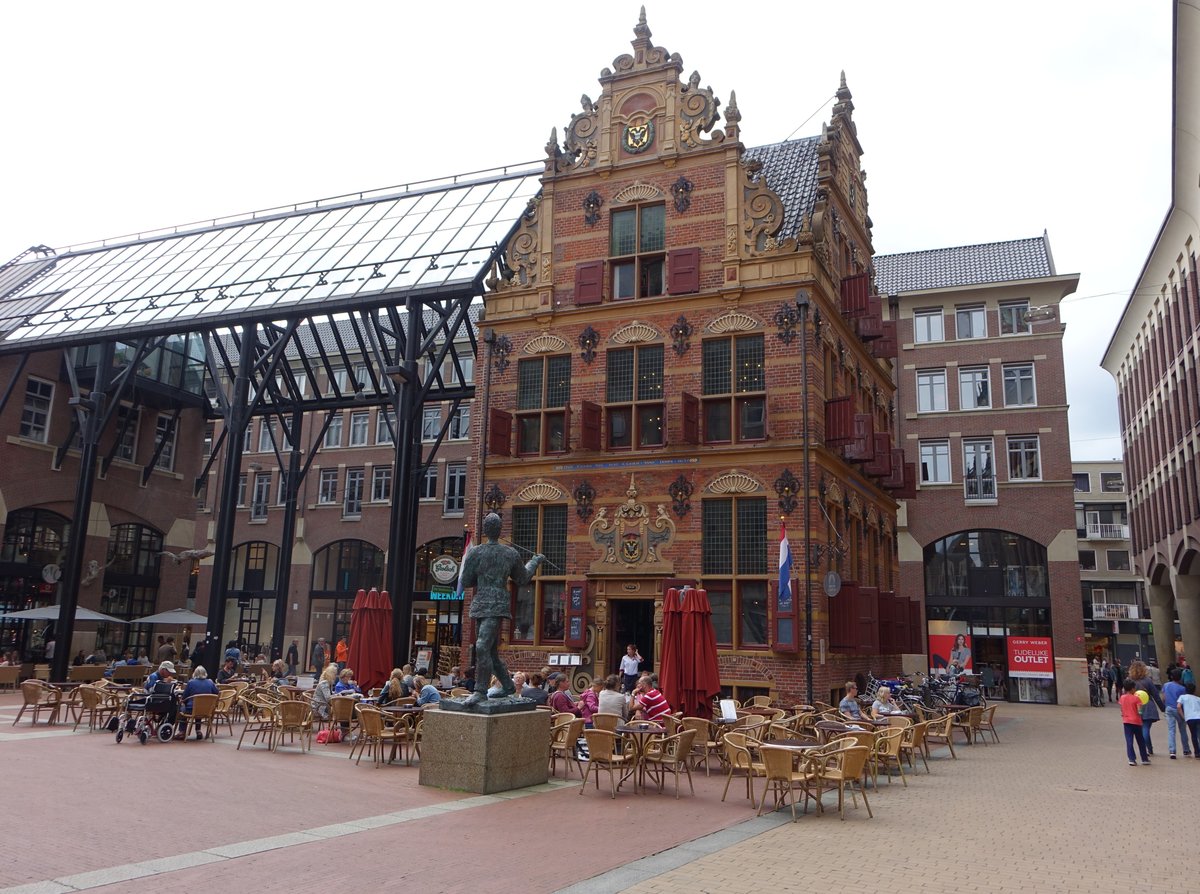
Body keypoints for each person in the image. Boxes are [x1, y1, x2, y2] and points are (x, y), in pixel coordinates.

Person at [458, 512, 543, 707]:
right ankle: (507, 685)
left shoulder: (476, 552)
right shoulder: (510, 553)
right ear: (499, 530)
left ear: (486, 530)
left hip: (487, 604)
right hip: (491, 604)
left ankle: (480, 691)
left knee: (481, 646)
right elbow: (523, 578)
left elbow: (467, 580)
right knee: (490, 652)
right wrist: (534, 561)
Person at [1128, 659, 1164, 755]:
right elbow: (1156, 695)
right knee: (1146, 728)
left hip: (1135, 707)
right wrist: (1163, 708)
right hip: (1148, 706)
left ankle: (1148, 748)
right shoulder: (1147, 681)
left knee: (1141, 729)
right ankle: (1148, 748)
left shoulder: (1129, 681)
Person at [181, 665, 219, 739]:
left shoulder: (191, 682)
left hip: (192, 709)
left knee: (182, 709)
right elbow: (217, 693)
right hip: (207, 710)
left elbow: (184, 697)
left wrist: (183, 702)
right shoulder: (210, 682)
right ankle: (198, 730)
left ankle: (182, 731)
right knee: (199, 707)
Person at [1119, 678, 1151, 766]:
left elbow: (1121, 709)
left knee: (1129, 740)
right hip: (1136, 722)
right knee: (1140, 740)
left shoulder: (1122, 697)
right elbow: (1139, 711)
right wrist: (1140, 712)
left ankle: (1131, 759)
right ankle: (1144, 759)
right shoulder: (1136, 699)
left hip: (1126, 722)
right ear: (1133, 688)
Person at [1161, 668, 1191, 758]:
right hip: (1178, 709)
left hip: (1169, 708)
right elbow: (1183, 702)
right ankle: (1186, 750)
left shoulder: (1166, 685)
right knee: (1183, 730)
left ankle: (1172, 751)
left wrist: (1165, 706)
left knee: (1171, 730)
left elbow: (1163, 697)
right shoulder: (1182, 688)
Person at [1177, 682, 1200, 758]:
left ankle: (1197, 752)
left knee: (1193, 735)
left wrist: (1183, 716)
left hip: (1190, 718)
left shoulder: (1182, 697)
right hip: (1198, 717)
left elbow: (1179, 706)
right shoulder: (1198, 698)